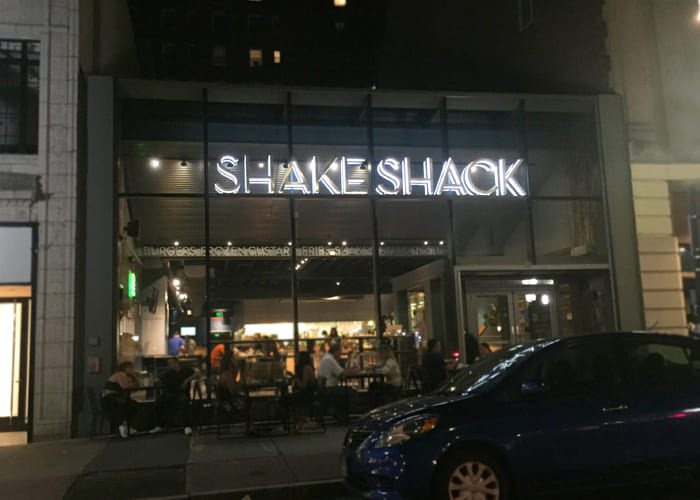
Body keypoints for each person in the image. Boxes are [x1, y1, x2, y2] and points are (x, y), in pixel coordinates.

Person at [151, 357, 199, 435]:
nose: (169, 365)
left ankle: (186, 426)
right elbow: (159, 380)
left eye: (170, 363)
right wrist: (154, 380)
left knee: (183, 401)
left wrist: (187, 380)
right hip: (170, 393)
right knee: (158, 402)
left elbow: (197, 374)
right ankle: (159, 425)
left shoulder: (185, 370)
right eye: (168, 364)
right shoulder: (168, 373)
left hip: (182, 393)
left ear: (176, 362)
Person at [317, 342, 357, 421]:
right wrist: (355, 371)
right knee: (352, 392)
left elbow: (340, 372)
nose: (340, 355)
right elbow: (342, 374)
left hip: (325, 388)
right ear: (337, 351)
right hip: (329, 389)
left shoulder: (327, 358)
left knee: (346, 391)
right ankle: (341, 414)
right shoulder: (329, 359)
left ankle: (340, 414)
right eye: (340, 352)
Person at [102, 361, 138, 438]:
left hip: (111, 399)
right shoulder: (121, 374)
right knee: (131, 405)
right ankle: (124, 426)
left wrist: (133, 380)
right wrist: (134, 383)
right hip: (110, 399)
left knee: (132, 404)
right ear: (125, 368)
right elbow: (125, 387)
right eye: (130, 368)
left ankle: (126, 426)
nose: (132, 369)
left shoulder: (123, 375)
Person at [291, 351, 317, 429]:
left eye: (297, 357)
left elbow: (304, 385)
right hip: (306, 393)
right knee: (290, 397)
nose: (295, 359)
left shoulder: (306, 368)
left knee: (290, 398)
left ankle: (299, 419)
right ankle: (299, 420)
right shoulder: (304, 368)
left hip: (308, 394)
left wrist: (295, 379)